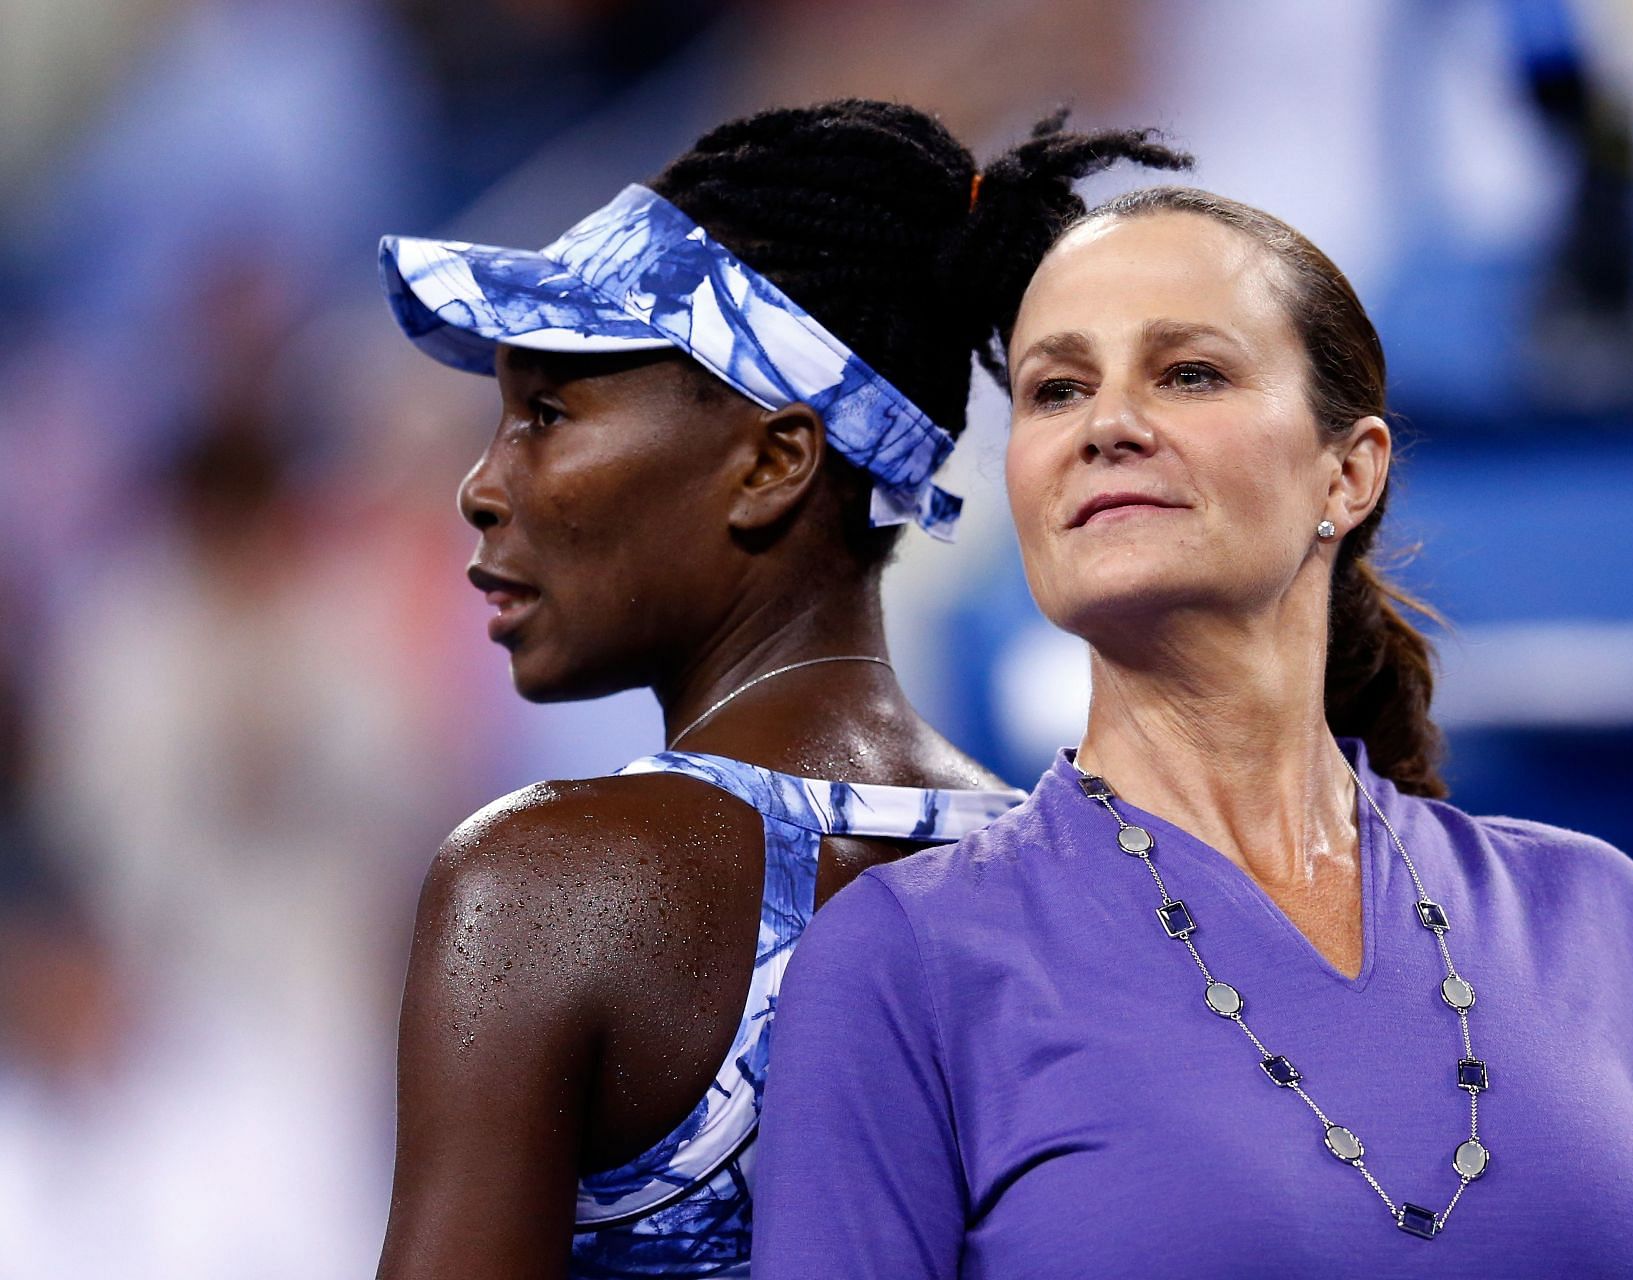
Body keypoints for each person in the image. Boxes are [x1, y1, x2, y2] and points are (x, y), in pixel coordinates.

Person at [754, 186, 1633, 1278]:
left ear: (1350, 471)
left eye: (1189, 373)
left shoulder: (1592, 907)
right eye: (1056, 390)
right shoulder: (902, 956)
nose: (1106, 424)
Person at [367, 100, 1186, 1279]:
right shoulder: (1099, 884)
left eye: (547, 413)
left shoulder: (546, 879)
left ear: (771, 464)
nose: (482, 485)